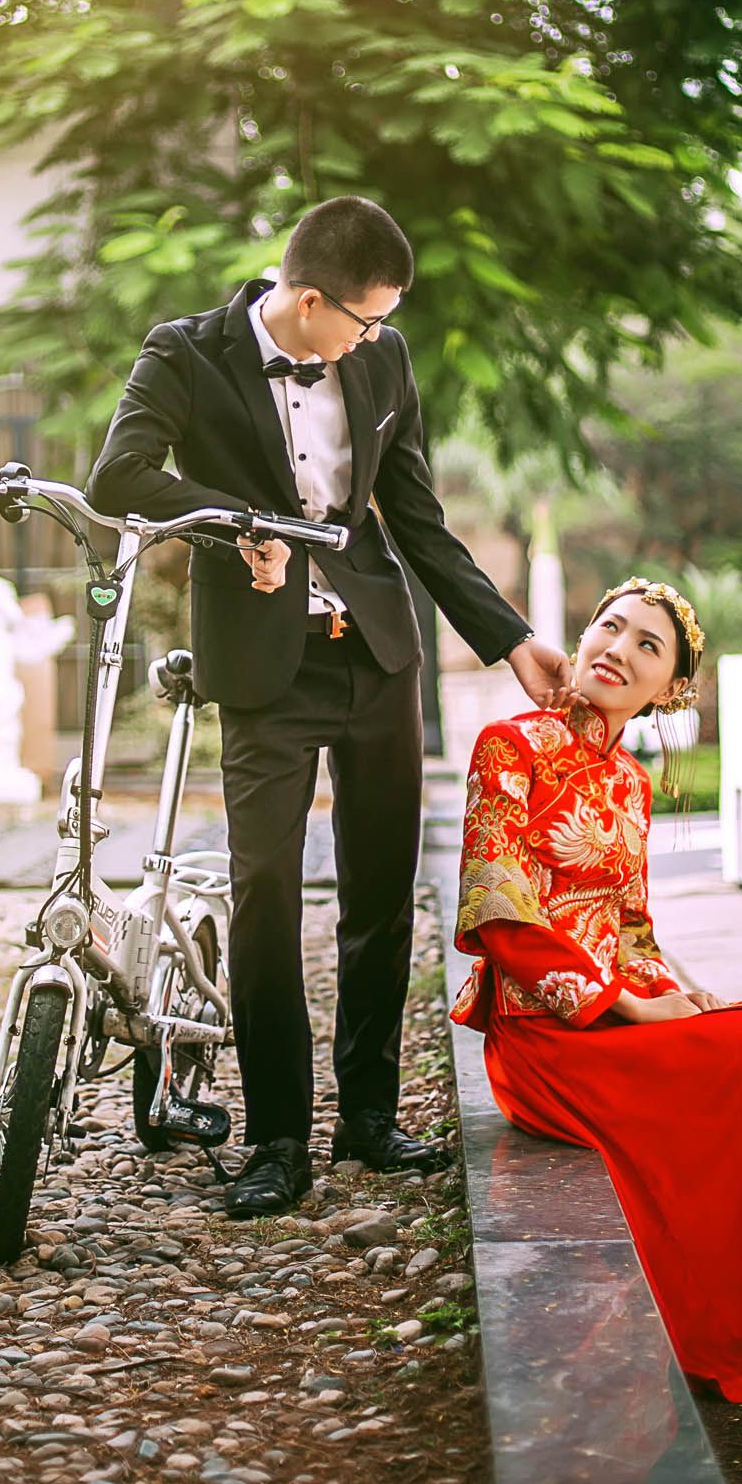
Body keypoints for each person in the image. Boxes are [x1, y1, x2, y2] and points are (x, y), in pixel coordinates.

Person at [86, 195, 574, 1219]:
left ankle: (368, 1117)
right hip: (264, 665)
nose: (377, 337)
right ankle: (276, 1139)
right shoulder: (184, 352)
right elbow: (119, 476)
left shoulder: (383, 362)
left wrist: (511, 639)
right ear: (309, 302)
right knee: (266, 891)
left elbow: (421, 522)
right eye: (366, 318)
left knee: (381, 891)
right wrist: (239, 527)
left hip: (377, 655)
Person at [453, 574, 742, 1403]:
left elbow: (633, 933)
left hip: (614, 1023)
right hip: (548, 1041)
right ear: (583, 636)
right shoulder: (509, 746)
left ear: (670, 689)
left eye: (647, 645)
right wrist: (627, 1004)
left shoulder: (630, 785)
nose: (617, 649)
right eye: (609, 627)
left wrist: (672, 996)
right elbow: (499, 912)